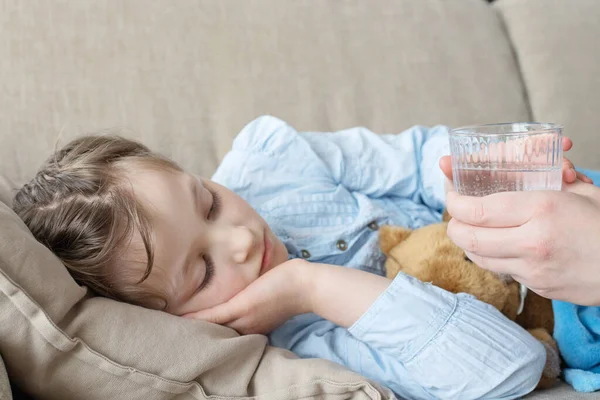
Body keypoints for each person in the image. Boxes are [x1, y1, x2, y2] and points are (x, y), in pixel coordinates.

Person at [12, 116, 583, 399]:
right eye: (203, 271)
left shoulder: (273, 160)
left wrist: (500, 176)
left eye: (208, 202)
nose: (240, 240)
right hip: (567, 307)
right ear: (176, 321)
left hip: (565, 207)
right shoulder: (300, 353)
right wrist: (313, 288)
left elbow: (414, 159)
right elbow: (513, 368)